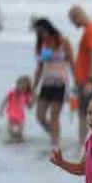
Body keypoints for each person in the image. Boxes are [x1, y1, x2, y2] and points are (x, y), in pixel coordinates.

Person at [31, 18, 73, 150]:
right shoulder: (41, 45)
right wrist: (33, 87)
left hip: (60, 83)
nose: (41, 35)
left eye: (42, 32)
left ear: (48, 29)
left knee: (54, 117)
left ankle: (55, 145)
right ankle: (55, 136)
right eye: (38, 33)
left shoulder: (63, 41)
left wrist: (77, 83)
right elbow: (39, 68)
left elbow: (72, 63)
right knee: (40, 116)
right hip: (46, 83)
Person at [68, 5, 92, 144]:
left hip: (89, 80)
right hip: (87, 79)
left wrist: (90, 80)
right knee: (87, 111)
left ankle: (83, 144)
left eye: (73, 20)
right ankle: (85, 142)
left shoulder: (91, 30)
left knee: (85, 113)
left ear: (77, 16)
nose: (73, 24)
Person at [0, 75, 34, 142]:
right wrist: (1, 110)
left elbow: (29, 106)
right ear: (17, 84)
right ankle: (10, 140)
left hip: (21, 117)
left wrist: (34, 100)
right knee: (12, 131)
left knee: (20, 134)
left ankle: (19, 142)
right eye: (20, 85)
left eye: (24, 87)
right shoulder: (12, 93)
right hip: (11, 115)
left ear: (27, 88)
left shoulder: (26, 95)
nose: (22, 87)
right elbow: (4, 101)